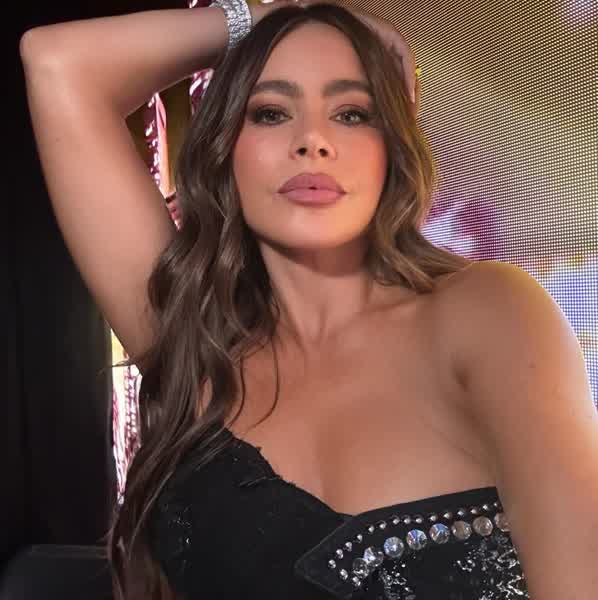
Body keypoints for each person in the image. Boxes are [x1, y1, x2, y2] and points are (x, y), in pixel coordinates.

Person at [19, 1, 598, 599]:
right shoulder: (195, 340)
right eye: (271, 112)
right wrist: (275, 14)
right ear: (225, 148)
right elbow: (58, 63)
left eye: (352, 114)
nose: (313, 141)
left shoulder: (488, 313)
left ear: (392, 147)